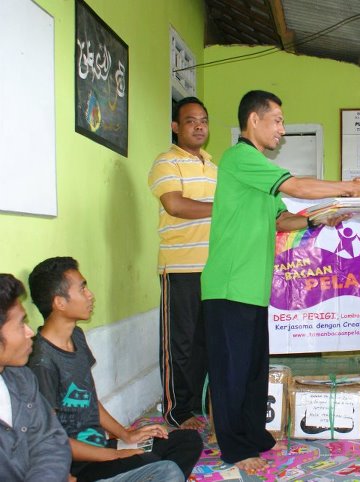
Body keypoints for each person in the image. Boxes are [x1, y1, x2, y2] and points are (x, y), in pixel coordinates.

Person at [201, 90, 360, 474]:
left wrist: (320, 219)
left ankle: (252, 434)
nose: (282, 130)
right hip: (228, 286)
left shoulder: (258, 172)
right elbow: (297, 186)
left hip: (250, 287)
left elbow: (282, 221)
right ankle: (234, 448)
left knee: (253, 370)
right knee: (231, 373)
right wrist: (349, 187)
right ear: (254, 120)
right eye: (278, 120)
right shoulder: (240, 158)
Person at [26, 257, 203, 482]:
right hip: (79, 464)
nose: (90, 295)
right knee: (156, 465)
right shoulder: (41, 362)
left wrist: (127, 435)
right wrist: (115, 454)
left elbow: (90, 399)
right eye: (82, 288)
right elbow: (51, 441)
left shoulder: (76, 336)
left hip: (101, 444)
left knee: (187, 441)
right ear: (59, 302)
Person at [147, 96, 215, 430]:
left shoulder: (215, 168)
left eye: (203, 120)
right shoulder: (166, 163)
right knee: (181, 343)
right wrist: (223, 209)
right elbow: (174, 205)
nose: (199, 125)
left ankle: (200, 406)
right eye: (190, 120)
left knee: (207, 341)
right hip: (180, 268)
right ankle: (177, 411)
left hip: (215, 269)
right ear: (175, 127)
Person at [0, 273, 71, 481]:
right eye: (21, 324)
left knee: (164, 471)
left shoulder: (20, 378)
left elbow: (51, 441)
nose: (30, 332)